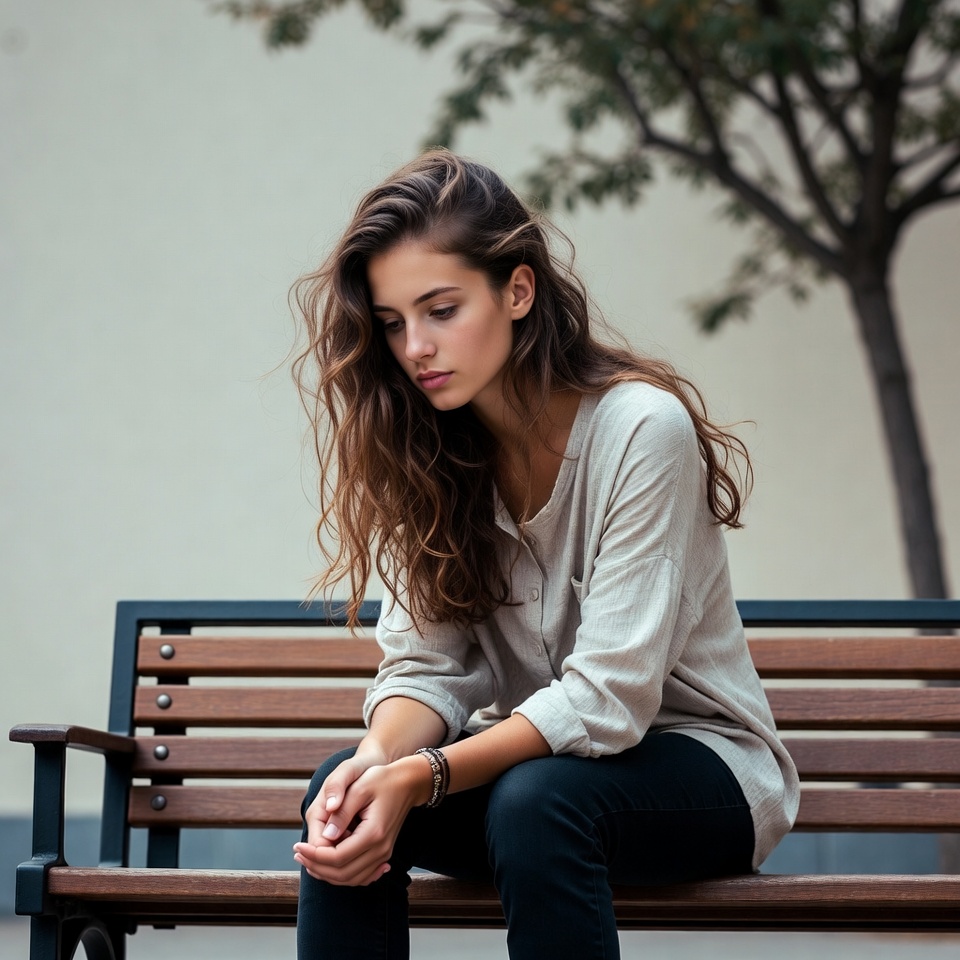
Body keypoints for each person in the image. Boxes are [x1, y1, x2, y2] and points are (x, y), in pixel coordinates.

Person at [290, 150, 799, 960]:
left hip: (704, 775)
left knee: (537, 801)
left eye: (441, 309)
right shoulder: (426, 451)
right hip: (538, 782)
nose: (415, 346)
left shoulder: (640, 430)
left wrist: (422, 777)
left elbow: (608, 698)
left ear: (517, 290)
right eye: (393, 323)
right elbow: (426, 668)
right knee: (340, 789)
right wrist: (379, 764)